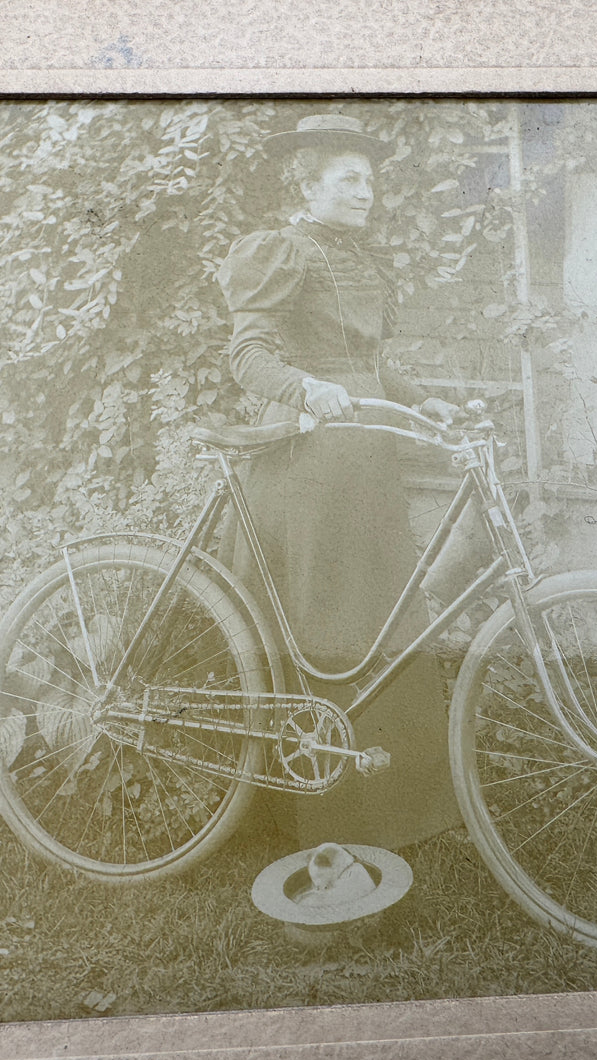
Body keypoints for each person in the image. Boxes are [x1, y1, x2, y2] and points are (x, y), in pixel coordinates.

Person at [214, 114, 463, 849]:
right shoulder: (282, 252)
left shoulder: (354, 257)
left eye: (370, 181)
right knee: (324, 633)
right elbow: (248, 357)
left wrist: (421, 398)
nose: (366, 192)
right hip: (307, 472)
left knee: (382, 627)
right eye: (349, 179)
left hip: (365, 467)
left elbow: (366, 363)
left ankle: (391, 814)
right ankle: (316, 818)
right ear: (307, 184)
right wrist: (304, 388)